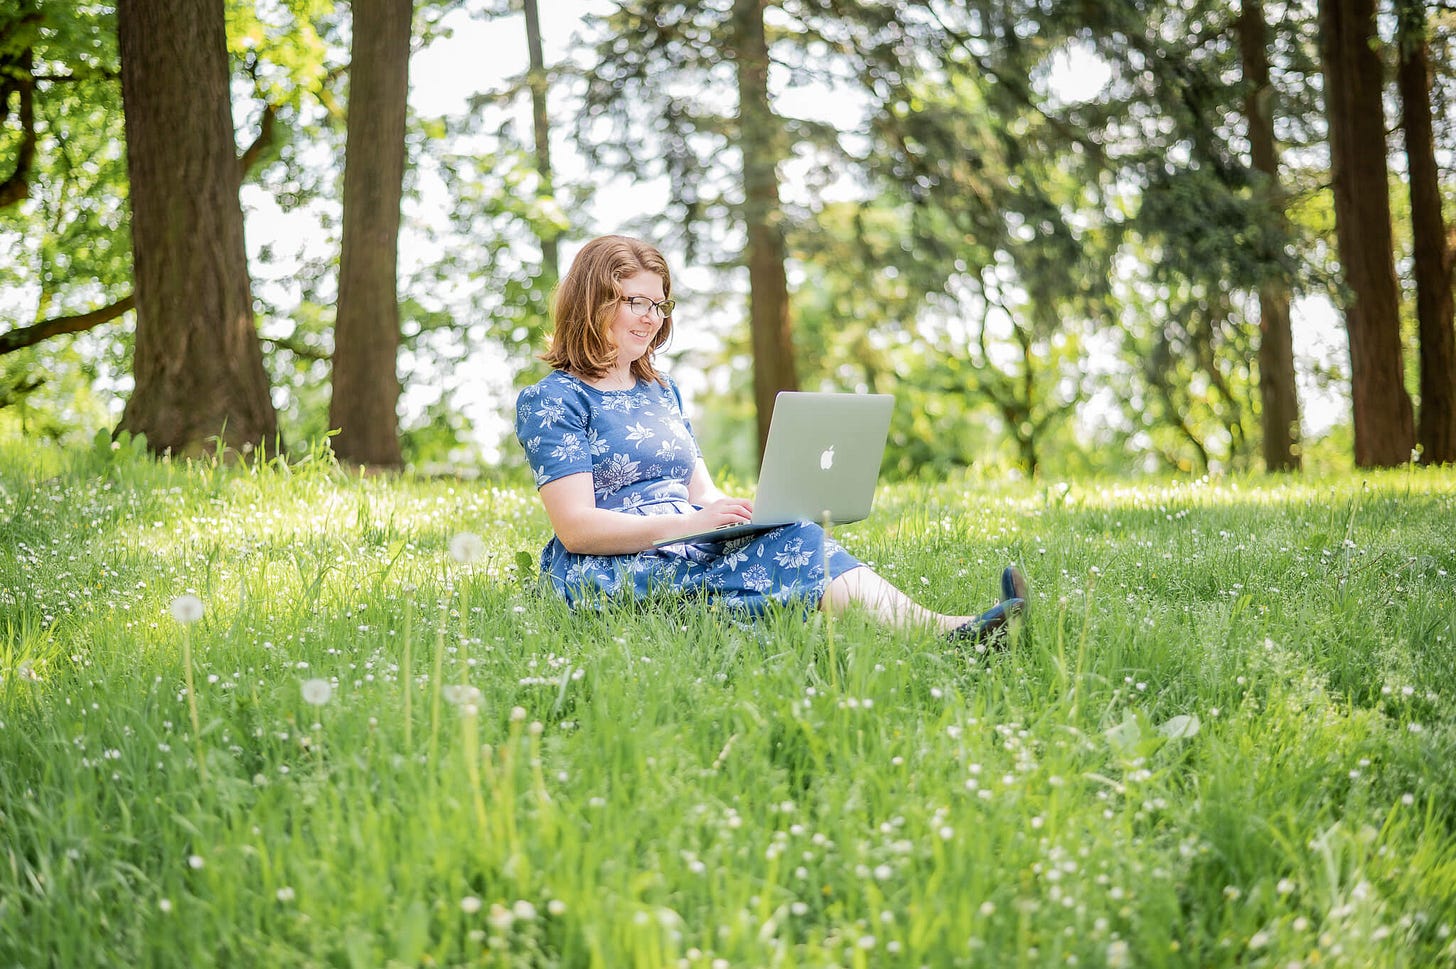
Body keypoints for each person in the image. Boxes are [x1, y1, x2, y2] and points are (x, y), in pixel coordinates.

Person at [513, 234, 1026, 644]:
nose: (653, 317)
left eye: (660, 303)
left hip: (683, 543)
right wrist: (691, 524)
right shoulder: (555, 399)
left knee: (794, 532)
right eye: (635, 302)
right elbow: (576, 528)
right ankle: (949, 635)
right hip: (608, 568)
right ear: (592, 302)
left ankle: (945, 630)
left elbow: (702, 493)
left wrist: (744, 515)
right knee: (787, 560)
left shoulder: (660, 390)